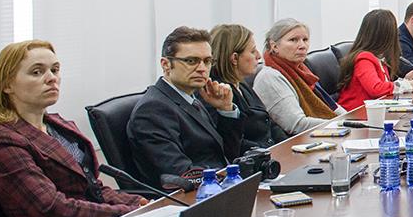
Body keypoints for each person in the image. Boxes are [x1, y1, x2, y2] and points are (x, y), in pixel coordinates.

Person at [0, 41, 146, 217]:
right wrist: (127, 213)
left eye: (55, 70)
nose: (51, 78)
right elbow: (53, 209)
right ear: (7, 84)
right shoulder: (3, 143)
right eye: (37, 72)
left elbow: (93, 188)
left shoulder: (59, 125)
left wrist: (142, 204)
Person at [129, 26, 245, 187]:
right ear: (166, 64)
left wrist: (226, 110)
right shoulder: (152, 110)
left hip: (218, 186)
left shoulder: (191, 97)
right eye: (191, 61)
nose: (202, 69)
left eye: (207, 61)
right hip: (192, 196)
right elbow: (181, 174)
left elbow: (226, 155)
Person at [254, 18, 343, 136]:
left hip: (322, 134)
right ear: (274, 46)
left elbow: (332, 106)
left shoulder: (302, 70)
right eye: (293, 40)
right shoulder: (269, 78)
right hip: (299, 142)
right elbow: (297, 124)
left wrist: (351, 121)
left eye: (305, 40)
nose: (302, 46)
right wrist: (342, 125)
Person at [210, 24, 285, 150]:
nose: (259, 56)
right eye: (253, 51)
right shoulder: (217, 93)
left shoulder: (242, 83)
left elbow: (269, 123)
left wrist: (289, 146)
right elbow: (235, 142)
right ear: (234, 58)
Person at [338, 9, 413, 110]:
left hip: (373, 111)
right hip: (356, 114)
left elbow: (384, 87)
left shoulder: (379, 58)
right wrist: (409, 85)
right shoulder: (364, 59)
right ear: (385, 36)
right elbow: (376, 89)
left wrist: (405, 80)